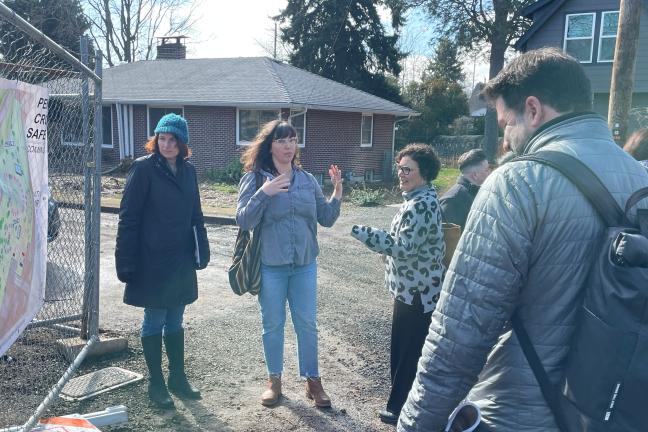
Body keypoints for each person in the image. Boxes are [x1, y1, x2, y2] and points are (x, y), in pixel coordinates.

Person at [397, 47, 648, 432]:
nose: (506, 140)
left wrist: (416, 425)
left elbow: (459, 335)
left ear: (533, 110)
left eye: (505, 124)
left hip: (519, 414)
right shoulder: (642, 182)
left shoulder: (518, 183)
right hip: (615, 413)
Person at [235, 120, 342, 408]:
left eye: (293, 140)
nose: (288, 146)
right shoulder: (256, 178)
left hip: (304, 265)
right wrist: (265, 192)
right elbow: (243, 220)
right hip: (272, 265)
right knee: (273, 324)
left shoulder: (307, 180)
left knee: (307, 323)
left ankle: (313, 381)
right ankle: (274, 381)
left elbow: (327, 218)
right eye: (282, 140)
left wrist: (338, 192)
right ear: (270, 145)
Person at [115, 113, 210, 410]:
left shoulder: (189, 171)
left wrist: (201, 248)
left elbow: (195, 214)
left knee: (176, 319)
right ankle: (156, 383)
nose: (166, 145)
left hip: (180, 259)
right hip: (151, 259)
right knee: (154, 319)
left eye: (172, 140)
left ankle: (177, 378)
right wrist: (125, 259)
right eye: (162, 139)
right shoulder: (143, 170)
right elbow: (128, 217)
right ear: (156, 140)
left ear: (183, 144)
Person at [350, 143, 445, 425]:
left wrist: (364, 232)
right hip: (415, 290)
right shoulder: (420, 197)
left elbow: (402, 248)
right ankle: (406, 405)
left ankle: (399, 409)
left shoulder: (421, 204)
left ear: (424, 172)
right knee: (409, 349)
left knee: (406, 353)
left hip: (416, 293)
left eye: (408, 169)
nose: (401, 173)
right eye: (400, 168)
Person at [439, 149, 490, 228]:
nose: (489, 173)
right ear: (475, 175)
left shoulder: (475, 193)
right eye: (486, 170)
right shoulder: (453, 200)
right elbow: (449, 237)